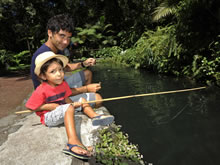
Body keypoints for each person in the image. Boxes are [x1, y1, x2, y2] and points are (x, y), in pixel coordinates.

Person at [26, 51, 114, 159]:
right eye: (53, 71)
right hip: (49, 117)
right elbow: (30, 106)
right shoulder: (41, 90)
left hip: (64, 109)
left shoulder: (62, 84)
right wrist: (50, 106)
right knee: (68, 107)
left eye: (60, 70)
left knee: (81, 99)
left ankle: (95, 117)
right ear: (43, 76)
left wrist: (73, 104)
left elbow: (66, 98)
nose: (59, 74)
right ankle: (72, 143)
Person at [31, 13, 102, 108]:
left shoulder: (58, 48)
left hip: (57, 85)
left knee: (87, 73)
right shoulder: (43, 55)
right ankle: (85, 105)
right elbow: (56, 91)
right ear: (50, 33)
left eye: (68, 37)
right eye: (62, 36)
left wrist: (83, 63)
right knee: (98, 99)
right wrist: (86, 89)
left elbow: (66, 67)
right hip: (50, 98)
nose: (66, 42)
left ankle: (85, 105)